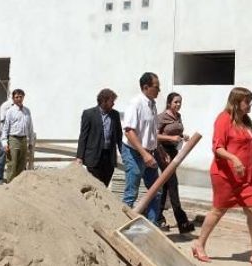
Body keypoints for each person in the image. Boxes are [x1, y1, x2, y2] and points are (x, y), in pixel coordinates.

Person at [191, 87, 252, 266]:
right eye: (247, 101)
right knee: (219, 210)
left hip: (248, 176)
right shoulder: (223, 119)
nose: (250, 105)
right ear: (236, 102)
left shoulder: (246, 120)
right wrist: (234, 159)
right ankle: (199, 244)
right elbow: (217, 147)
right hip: (226, 175)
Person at [120, 72, 166, 224]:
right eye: (156, 87)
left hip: (149, 153)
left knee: (156, 191)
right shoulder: (136, 104)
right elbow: (129, 131)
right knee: (131, 193)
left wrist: (158, 150)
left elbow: (151, 133)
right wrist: (144, 154)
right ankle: (122, 225)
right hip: (134, 152)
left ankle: (152, 225)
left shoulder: (152, 105)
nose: (159, 90)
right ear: (146, 87)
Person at [156, 92, 194, 234]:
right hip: (162, 151)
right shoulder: (161, 117)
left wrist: (182, 136)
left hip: (173, 152)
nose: (178, 104)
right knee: (173, 183)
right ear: (169, 103)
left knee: (166, 185)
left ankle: (157, 217)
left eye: (180, 102)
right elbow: (155, 135)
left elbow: (176, 132)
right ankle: (182, 221)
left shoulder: (178, 116)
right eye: (175, 102)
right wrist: (171, 139)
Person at [75, 88, 122, 187]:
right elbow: (83, 136)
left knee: (104, 186)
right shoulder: (89, 114)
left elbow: (119, 136)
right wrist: (79, 157)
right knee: (95, 185)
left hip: (109, 157)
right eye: (111, 101)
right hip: (93, 157)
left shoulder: (115, 115)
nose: (113, 104)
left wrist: (124, 154)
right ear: (104, 101)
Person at [2, 89, 34, 183]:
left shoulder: (27, 111)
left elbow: (30, 127)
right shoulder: (10, 111)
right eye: (16, 97)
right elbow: (5, 128)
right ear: (13, 98)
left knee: (22, 164)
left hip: (24, 139)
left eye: (20, 97)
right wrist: (5, 143)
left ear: (23, 97)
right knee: (12, 163)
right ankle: (10, 184)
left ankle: (19, 185)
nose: (19, 99)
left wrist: (31, 142)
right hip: (13, 139)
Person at [0, 94, 12, 184]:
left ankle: (11, 177)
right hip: (4, 133)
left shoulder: (20, 106)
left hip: (14, 134)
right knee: (2, 155)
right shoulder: (5, 106)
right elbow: (3, 121)